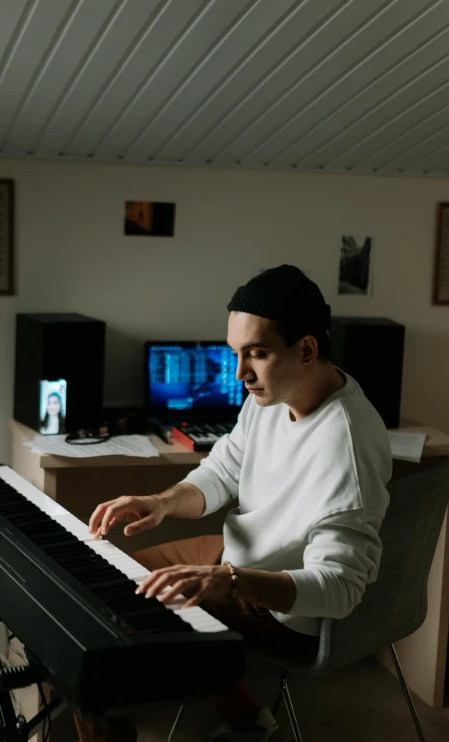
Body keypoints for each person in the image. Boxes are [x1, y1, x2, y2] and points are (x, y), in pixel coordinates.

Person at [76, 265, 392, 742]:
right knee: (91, 589)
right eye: (236, 354)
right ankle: (245, 717)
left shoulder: (344, 443)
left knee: (105, 634)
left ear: (306, 349)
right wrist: (159, 502)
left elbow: (339, 588)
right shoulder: (269, 395)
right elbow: (223, 472)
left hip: (279, 602)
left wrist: (229, 581)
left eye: (257, 354)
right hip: (235, 560)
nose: (240, 373)